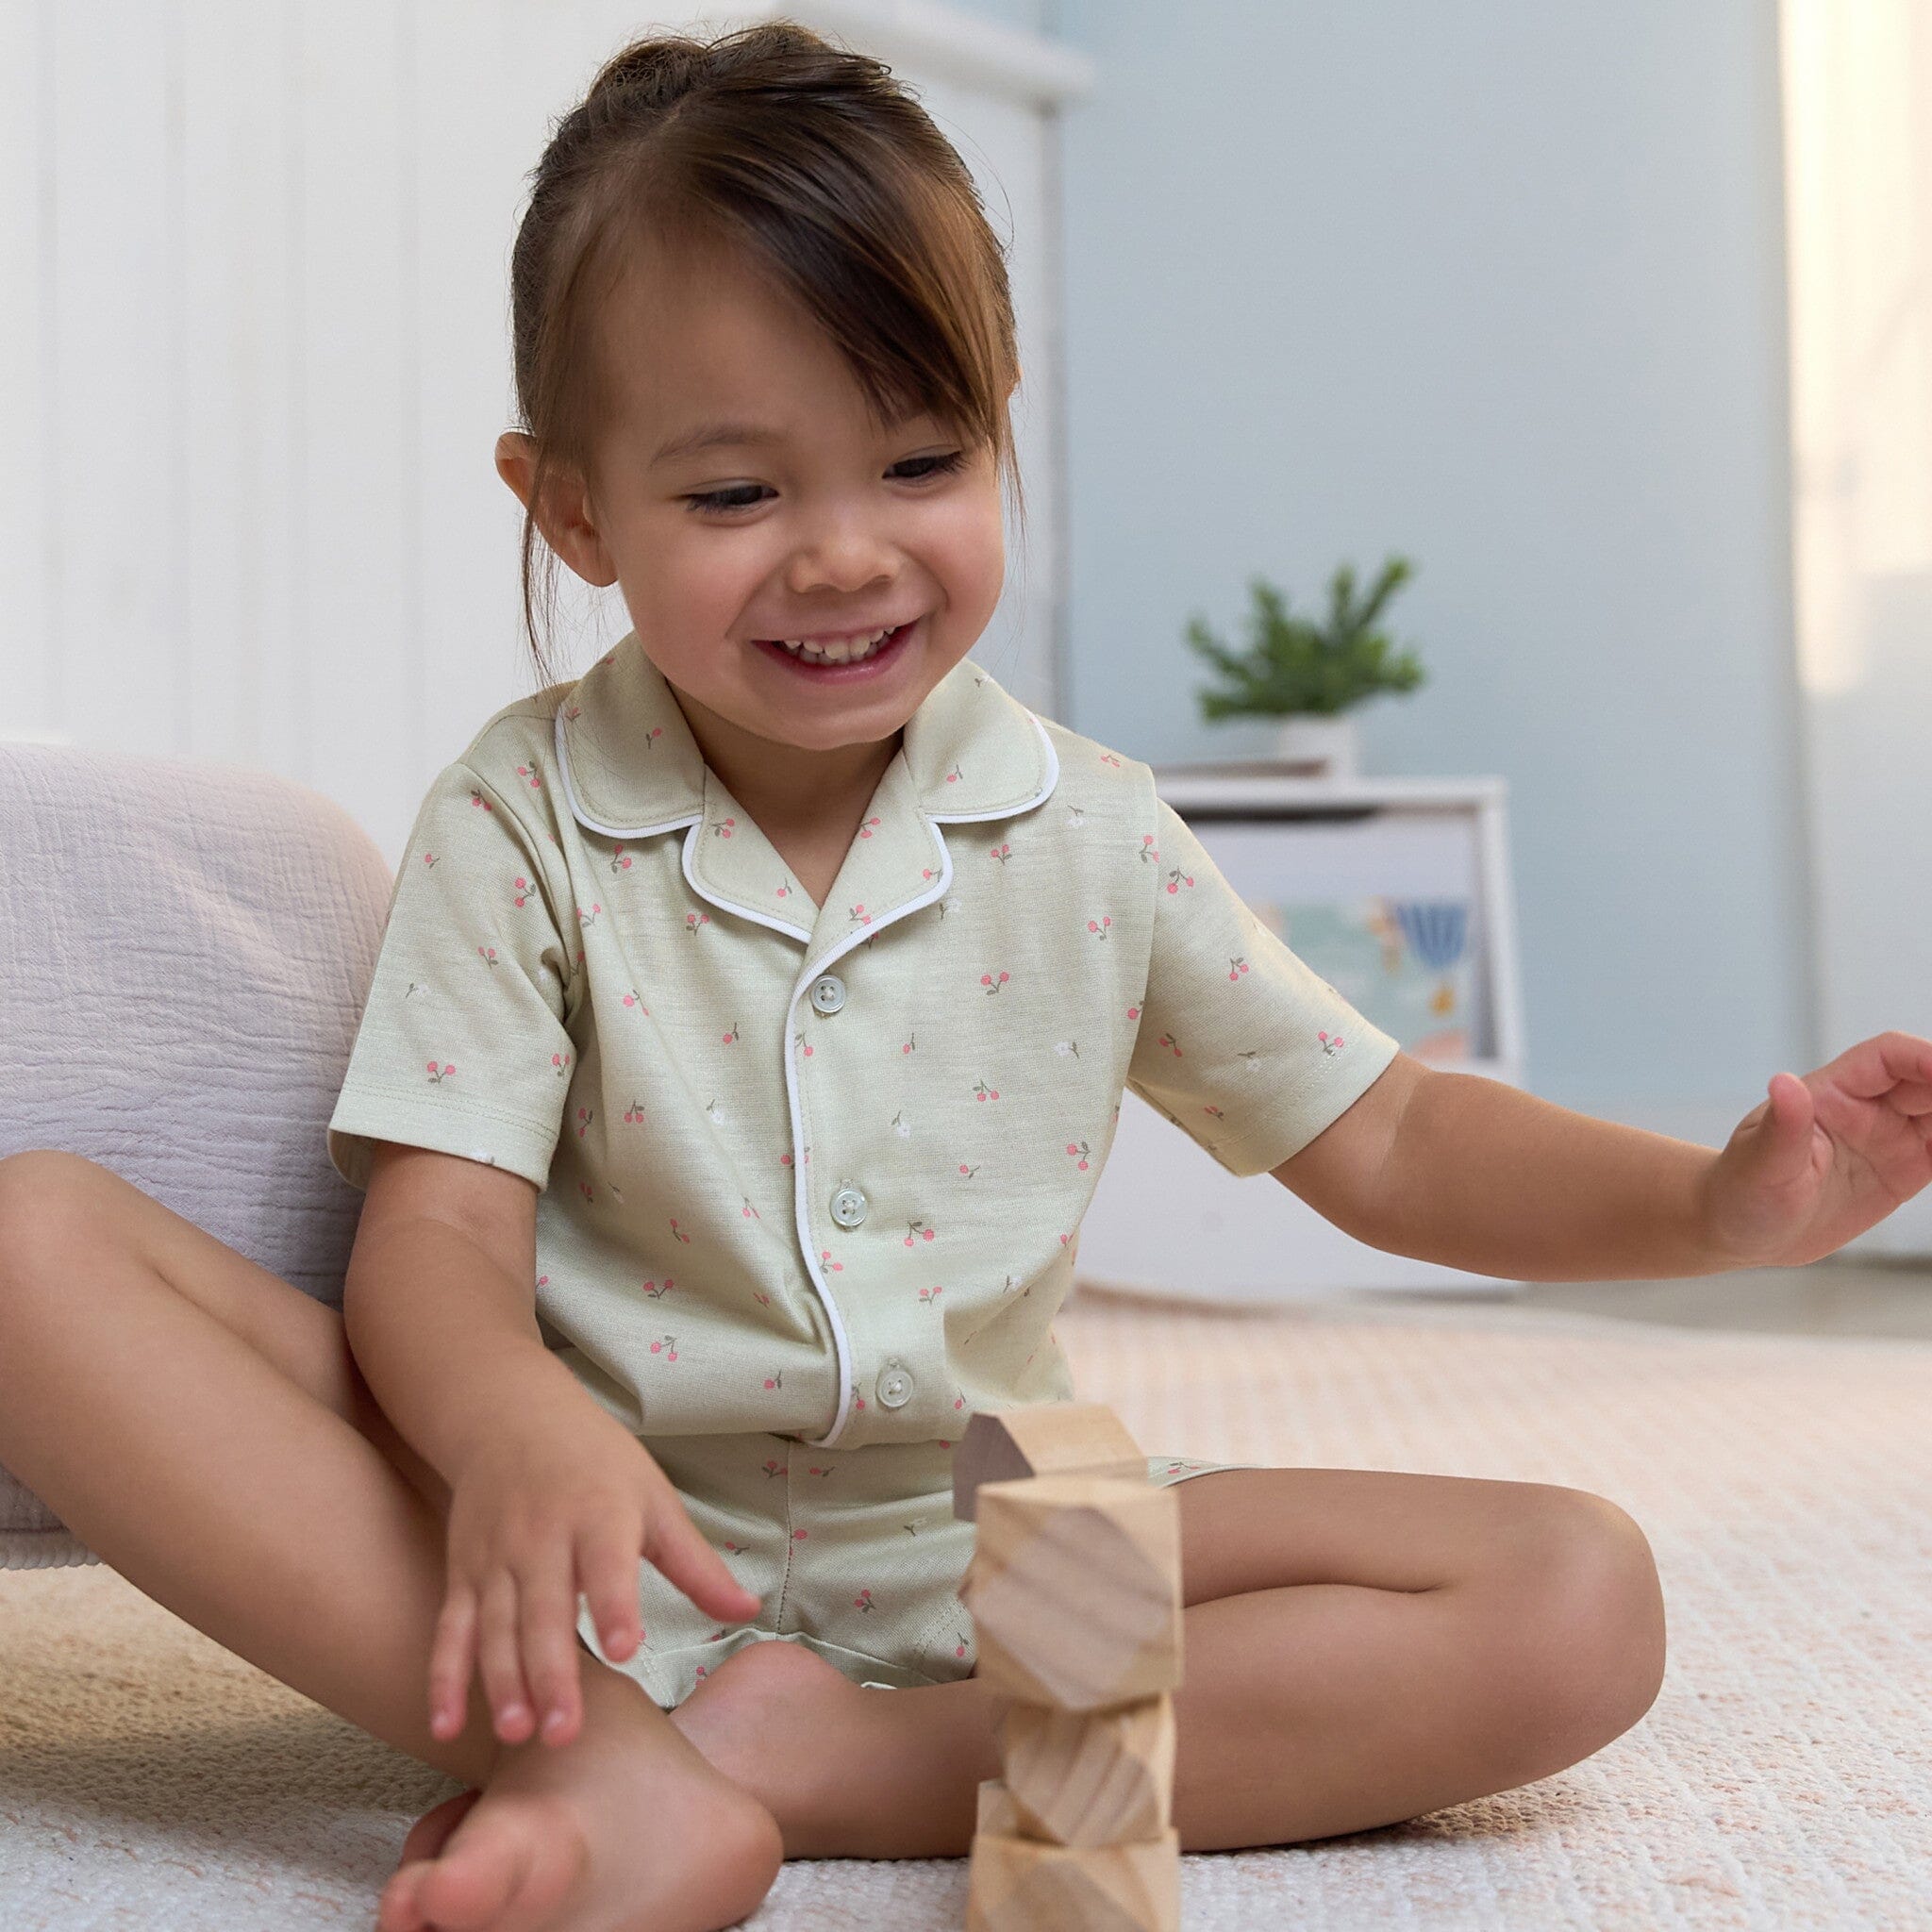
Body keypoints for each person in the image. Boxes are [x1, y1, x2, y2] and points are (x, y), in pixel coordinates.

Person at [6, 20, 1932, 1932]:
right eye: (735, 496)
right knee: (33, 1243)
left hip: (1003, 1532)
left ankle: (818, 1765)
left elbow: (1400, 1136)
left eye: (920, 459)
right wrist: (512, 1420)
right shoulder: (521, 819)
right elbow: (432, 1240)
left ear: (1000, 418)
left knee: (1576, 1594)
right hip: (585, 1538)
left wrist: (1711, 1206)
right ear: (573, 508)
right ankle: (596, 1746)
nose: (844, 555)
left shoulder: (1090, 833)